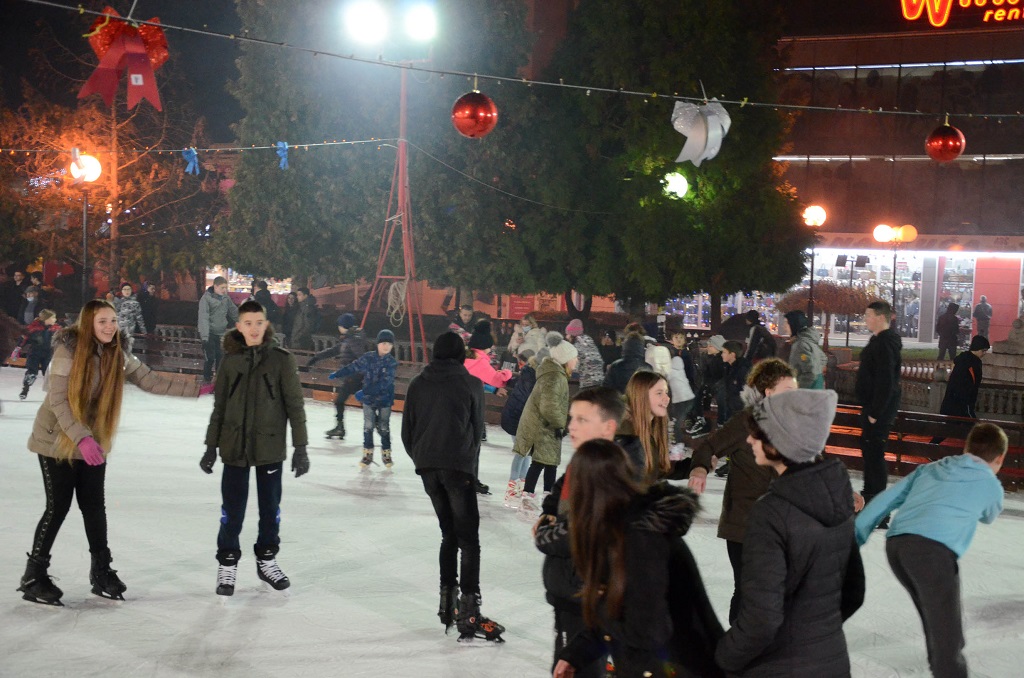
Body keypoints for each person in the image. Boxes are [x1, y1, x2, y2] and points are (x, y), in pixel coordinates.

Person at [17, 300, 211, 607]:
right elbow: (58, 400)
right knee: (59, 507)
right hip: (56, 438)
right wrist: (81, 438)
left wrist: (196, 389)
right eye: (102, 321)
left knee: (94, 506)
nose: (110, 327)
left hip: (93, 439)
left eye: (113, 321)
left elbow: (150, 380)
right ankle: (33, 575)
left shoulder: (117, 353)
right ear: (88, 324)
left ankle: (101, 571)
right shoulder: (68, 350)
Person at [715, 389, 865, 676]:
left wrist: (723, 658)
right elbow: (854, 591)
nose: (750, 440)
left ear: (780, 441)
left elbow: (761, 618)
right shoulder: (837, 497)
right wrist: (815, 635)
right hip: (831, 662)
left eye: (758, 433)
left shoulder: (771, 512)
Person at [552, 439, 724, 678]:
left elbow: (648, 630)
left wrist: (599, 604)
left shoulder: (641, 539)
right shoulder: (620, 531)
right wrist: (576, 654)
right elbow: (619, 612)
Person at [855, 423, 1006, 678]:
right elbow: (990, 515)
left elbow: (886, 500)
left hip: (897, 546)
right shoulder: (990, 484)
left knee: (936, 617)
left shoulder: (931, 468)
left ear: (966, 448)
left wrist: (855, 537)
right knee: (947, 634)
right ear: (1000, 458)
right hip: (932, 553)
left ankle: (941, 662)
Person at [401, 331, 505, 643]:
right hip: (458, 467)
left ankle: (448, 604)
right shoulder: (470, 384)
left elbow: (407, 431)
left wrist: (423, 459)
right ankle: (469, 612)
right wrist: (465, 464)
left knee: (449, 535)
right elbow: (476, 430)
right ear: (461, 355)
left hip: (429, 468)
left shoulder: (418, 384)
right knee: (469, 540)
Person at [200, 300, 309, 596]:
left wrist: (300, 446)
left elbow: (295, 406)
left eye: (259, 323)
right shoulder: (230, 361)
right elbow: (219, 408)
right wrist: (211, 446)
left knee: (270, 509)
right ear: (239, 326)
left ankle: (267, 559)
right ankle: (228, 562)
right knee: (232, 511)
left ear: (266, 324)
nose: (254, 329)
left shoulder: (281, 360)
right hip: (234, 446)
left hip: (269, 446)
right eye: (248, 323)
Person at [687, 359, 799, 623]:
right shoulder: (746, 423)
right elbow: (708, 447)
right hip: (745, 524)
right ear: (769, 393)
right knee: (749, 589)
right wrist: (700, 468)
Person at [535, 387, 626, 677]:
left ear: (608, 427)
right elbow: (558, 492)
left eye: (582, 420)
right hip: (572, 589)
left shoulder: (607, 473)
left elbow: (578, 533)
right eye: (572, 418)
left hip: (584, 592)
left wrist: (543, 534)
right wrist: (549, 512)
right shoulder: (583, 461)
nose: (571, 426)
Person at [510, 333, 578, 511]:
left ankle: (547, 494)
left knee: (549, 463)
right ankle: (528, 495)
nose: (576, 361)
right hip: (545, 427)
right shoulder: (555, 377)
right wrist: (560, 424)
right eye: (574, 358)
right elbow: (549, 406)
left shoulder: (555, 374)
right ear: (565, 359)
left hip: (547, 426)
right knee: (541, 462)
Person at [856, 300, 902, 511]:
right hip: (874, 407)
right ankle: (870, 498)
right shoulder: (879, 341)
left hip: (878, 410)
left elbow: (886, 381)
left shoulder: (884, 344)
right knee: (870, 453)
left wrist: (875, 412)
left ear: (881, 317)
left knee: (874, 454)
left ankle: (877, 505)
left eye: (869, 315)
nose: (865, 319)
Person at [328, 329, 398, 468]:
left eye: (389, 344)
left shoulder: (391, 363)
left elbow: (384, 383)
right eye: (383, 343)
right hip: (369, 399)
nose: (386, 346)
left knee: (384, 427)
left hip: (385, 399)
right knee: (368, 426)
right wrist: (338, 373)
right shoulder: (368, 357)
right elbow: (353, 366)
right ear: (378, 344)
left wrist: (364, 391)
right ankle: (367, 454)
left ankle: (386, 453)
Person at [308, 313, 367, 439]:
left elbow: (361, 357)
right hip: (354, 376)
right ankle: (378, 424)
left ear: (344, 326)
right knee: (364, 402)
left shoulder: (354, 339)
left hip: (353, 376)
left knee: (339, 401)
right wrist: (317, 357)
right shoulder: (350, 338)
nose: (338, 327)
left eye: (339, 325)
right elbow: (335, 350)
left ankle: (340, 428)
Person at [198, 276, 239, 383]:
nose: (224, 290)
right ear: (215, 287)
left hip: (221, 333)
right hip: (209, 333)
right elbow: (203, 317)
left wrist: (244, 321)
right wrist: (205, 337)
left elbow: (234, 311)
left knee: (220, 358)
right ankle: (207, 378)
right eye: (222, 288)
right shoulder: (206, 299)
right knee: (210, 357)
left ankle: (218, 380)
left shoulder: (226, 298)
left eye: (226, 287)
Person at [686, 334, 727, 438]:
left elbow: (722, 378)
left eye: (711, 346)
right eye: (708, 345)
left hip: (719, 387)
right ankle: (702, 421)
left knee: (719, 399)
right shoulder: (710, 358)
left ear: (718, 348)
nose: (708, 347)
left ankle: (719, 425)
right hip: (710, 385)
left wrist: (710, 387)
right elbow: (707, 375)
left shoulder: (721, 361)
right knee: (698, 397)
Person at [12, 309, 58, 400]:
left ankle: (52, 393)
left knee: (48, 374)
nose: (55, 319)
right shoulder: (33, 328)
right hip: (34, 353)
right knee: (31, 373)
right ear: (46, 318)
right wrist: (18, 348)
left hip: (48, 354)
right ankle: (25, 389)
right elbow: (24, 338)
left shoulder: (56, 329)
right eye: (53, 317)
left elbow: (63, 339)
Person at [666, 326, 697, 445]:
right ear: (672, 339)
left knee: (678, 416)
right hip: (674, 389)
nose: (678, 340)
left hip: (683, 387)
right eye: (676, 337)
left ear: (684, 340)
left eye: (681, 338)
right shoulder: (670, 352)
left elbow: (690, 372)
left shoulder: (686, 354)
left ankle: (678, 440)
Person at [784, 309, 826, 389]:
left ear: (794, 324)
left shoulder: (800, 345)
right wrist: (818, 373)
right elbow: (823, 358)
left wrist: (797, 388)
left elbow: (810, 372)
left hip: (807, 392)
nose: (784, 326)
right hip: (814, 389)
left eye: (787, 323)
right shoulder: (808, 341)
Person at [719, 340, 752, 425]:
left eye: (724, 352)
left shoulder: (743, 370)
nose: (722, 354)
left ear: (732, 354)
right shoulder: (729, 367)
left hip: (738, 409)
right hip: (731, 405)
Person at [565, 319, 604, 388]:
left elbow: (574, 368)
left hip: (588, 381)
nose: (566, 337)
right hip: (599, 379)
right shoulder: (589, 341)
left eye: (568, 334)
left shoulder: (577, 346)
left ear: (573, 334)